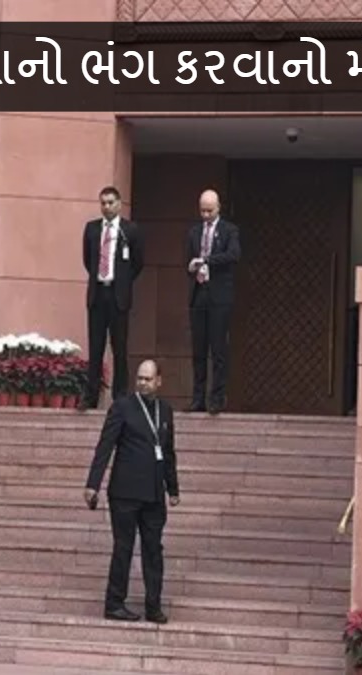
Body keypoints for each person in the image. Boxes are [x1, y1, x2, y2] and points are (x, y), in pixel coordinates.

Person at [83, 360, 179, 624]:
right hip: (125, 493)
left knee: (153, 550)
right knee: (123, 547)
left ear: (159, 381)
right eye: (140, 378)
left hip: (154, 494)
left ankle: (153, 606)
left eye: (148, 379)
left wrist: (173, 488)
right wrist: (93, 484)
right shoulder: (122, 407)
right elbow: (105, 446)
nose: (143, 383)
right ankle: (114, 603)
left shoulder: (165, 411)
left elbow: (168, 452)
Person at [80, 185, 144, 410]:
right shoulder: (92, 229)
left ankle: (120, 396)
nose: (106, 207)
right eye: (103, 203)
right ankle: (91, 396)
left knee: (120, 348)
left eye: (110, 202)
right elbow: (87, 260)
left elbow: (138, 263)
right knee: (95, 348)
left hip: (118, 296)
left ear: (118, 204)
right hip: (98, 294)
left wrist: (123, 281)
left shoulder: (130, 230)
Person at [186, 189, 240, 414]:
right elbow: (188, 259)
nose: (206, 215)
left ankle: (217, 398)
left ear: (218, 208)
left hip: (219, 295)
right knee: (198, 349)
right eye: (202, 211)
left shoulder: (229, 230)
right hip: (199, 292)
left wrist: (207, 260)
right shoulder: (194, 232)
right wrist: (192, 266)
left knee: (218, 349)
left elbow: (233, 255)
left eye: (209, 210)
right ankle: (197, 398)